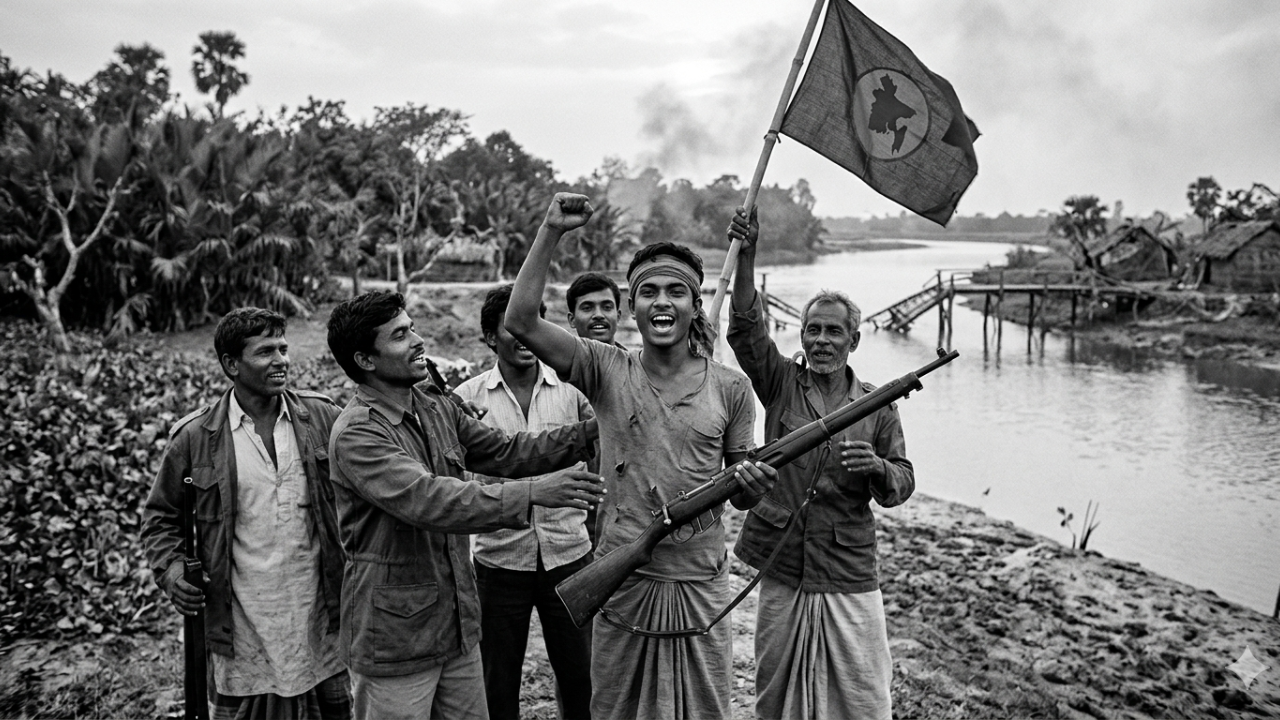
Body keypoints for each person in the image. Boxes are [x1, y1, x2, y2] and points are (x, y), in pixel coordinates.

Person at [506, 193, 777, 720]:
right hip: (622, 577)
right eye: (648, 292)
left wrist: (754, 486)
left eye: (677, 292)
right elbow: (520, 320)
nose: (662, 303)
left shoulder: (733, 388)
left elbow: (741, 493)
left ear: (697, 305)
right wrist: (549, 230)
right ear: (631, 307)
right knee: (615, 708)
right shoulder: (606, 367)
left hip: (701, 580)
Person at [324, 290, 606, 720]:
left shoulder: (434, 406)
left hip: (456, 625)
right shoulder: (358, 434)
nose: (418, 340)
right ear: (365, 359)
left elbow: (509, 451)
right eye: (401, 335)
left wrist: (594, 428)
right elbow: (432, 500)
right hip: (395, 637)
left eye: (413, 327)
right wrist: (534, 493)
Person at [725, 207, 914, 720]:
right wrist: (749, 254)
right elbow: (745, 330)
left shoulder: (879, 404)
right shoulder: (782, 381)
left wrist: (876, 467)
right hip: (782, 558)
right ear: (802, 337)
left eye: (834, 332)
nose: (822, 341)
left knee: (864, 693)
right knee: (775, 683)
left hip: (848, 566)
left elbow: (902, 481)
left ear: (854, 341)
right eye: (813, 330)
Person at [141, 308, 352, 720]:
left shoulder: (323, 418)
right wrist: (172, 571)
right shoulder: (195, 438)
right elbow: (160, 518)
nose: (281, 360)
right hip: (242, 621)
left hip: (320, 613)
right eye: (266, 352)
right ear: (231, 365)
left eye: (283, 349)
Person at [453, 285, 595, 720]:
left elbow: (606, 461)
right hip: (498, 563)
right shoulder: (466, 400)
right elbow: (456, 489)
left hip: (570, 556)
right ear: (491, 338)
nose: (523, 340)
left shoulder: (573, 391)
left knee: (581, 678)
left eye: (531, 328)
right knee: (498, 683)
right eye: (511, 331)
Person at [566, 271, 624, 348]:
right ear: (572, 320)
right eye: (587, 308)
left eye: (607, 307)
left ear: (618, 317)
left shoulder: (632, 360)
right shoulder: (557, 359)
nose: (598, 315)